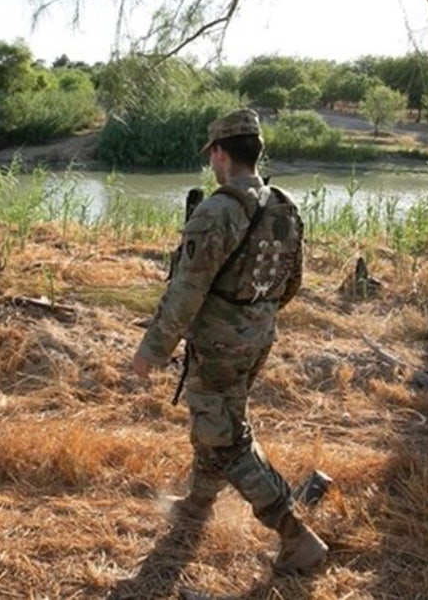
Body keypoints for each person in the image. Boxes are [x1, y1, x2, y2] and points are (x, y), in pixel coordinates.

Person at [131, 108, 328, 574]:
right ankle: (199, 504)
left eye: (213, 154)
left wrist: (152, 350)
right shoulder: (284, 205)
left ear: (219, 153)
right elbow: (291, 282)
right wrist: (252, 317)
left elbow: (185, 291)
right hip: (257, 338)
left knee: (225, 437)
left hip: (220, 344)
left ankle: (294, 532)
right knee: (218, 422)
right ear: (256, 151)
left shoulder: (218, 210)